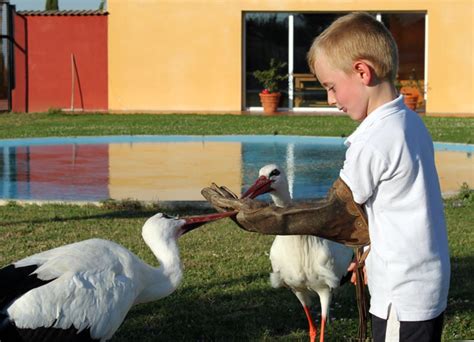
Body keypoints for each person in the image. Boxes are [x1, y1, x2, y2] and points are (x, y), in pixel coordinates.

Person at [202, 12, 450, 342]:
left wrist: (261, 218)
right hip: (425, 282)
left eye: (331, 87)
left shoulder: (373, 141)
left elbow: (334, 212)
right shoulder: (409, 122)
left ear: (363, 71)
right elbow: (400, 208)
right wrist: (371, 252)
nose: (331, 100)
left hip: (401, 296)